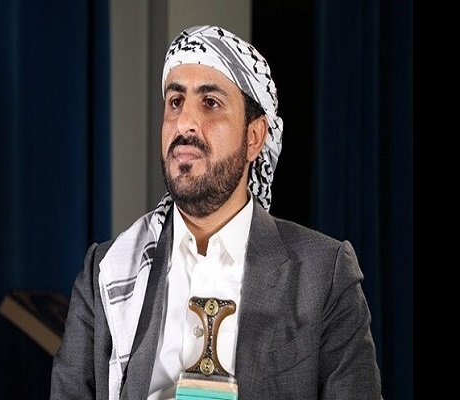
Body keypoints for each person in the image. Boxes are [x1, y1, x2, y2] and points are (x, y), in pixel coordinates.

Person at [49, 25, 383, 399]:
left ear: (254, 137)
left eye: (210, 103)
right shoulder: (107, 271)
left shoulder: (323, 274)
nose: (185, 123)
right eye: (175, 102)